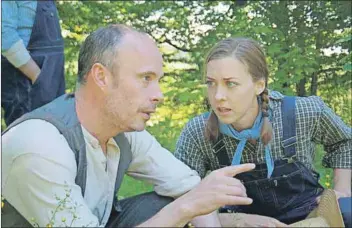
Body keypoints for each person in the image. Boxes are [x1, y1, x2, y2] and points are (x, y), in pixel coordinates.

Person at [1, 25, 256, 227]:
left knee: (167, 203)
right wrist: (186, 208)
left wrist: (200, 208)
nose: (159, 95)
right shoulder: (39, 146)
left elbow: (188, 188)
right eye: (146, 78)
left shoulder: (123, 131)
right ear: (101, 76)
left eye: (158, 80)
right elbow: (191, 202)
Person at [174, 37, 352, 227]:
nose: (218, 96)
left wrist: (341, 193)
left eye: (231, 84)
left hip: (309, 217)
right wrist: (232, 220)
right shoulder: (197, 132)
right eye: (211, 83)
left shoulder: (302, 112)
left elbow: (344, 142)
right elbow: (179, 194)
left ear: (259, 85)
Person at [1, 0, 66, 126]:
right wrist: (37, 76)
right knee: (27, 139)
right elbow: (5, 37)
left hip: (51, 82)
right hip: (26, 86)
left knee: (53, 136)